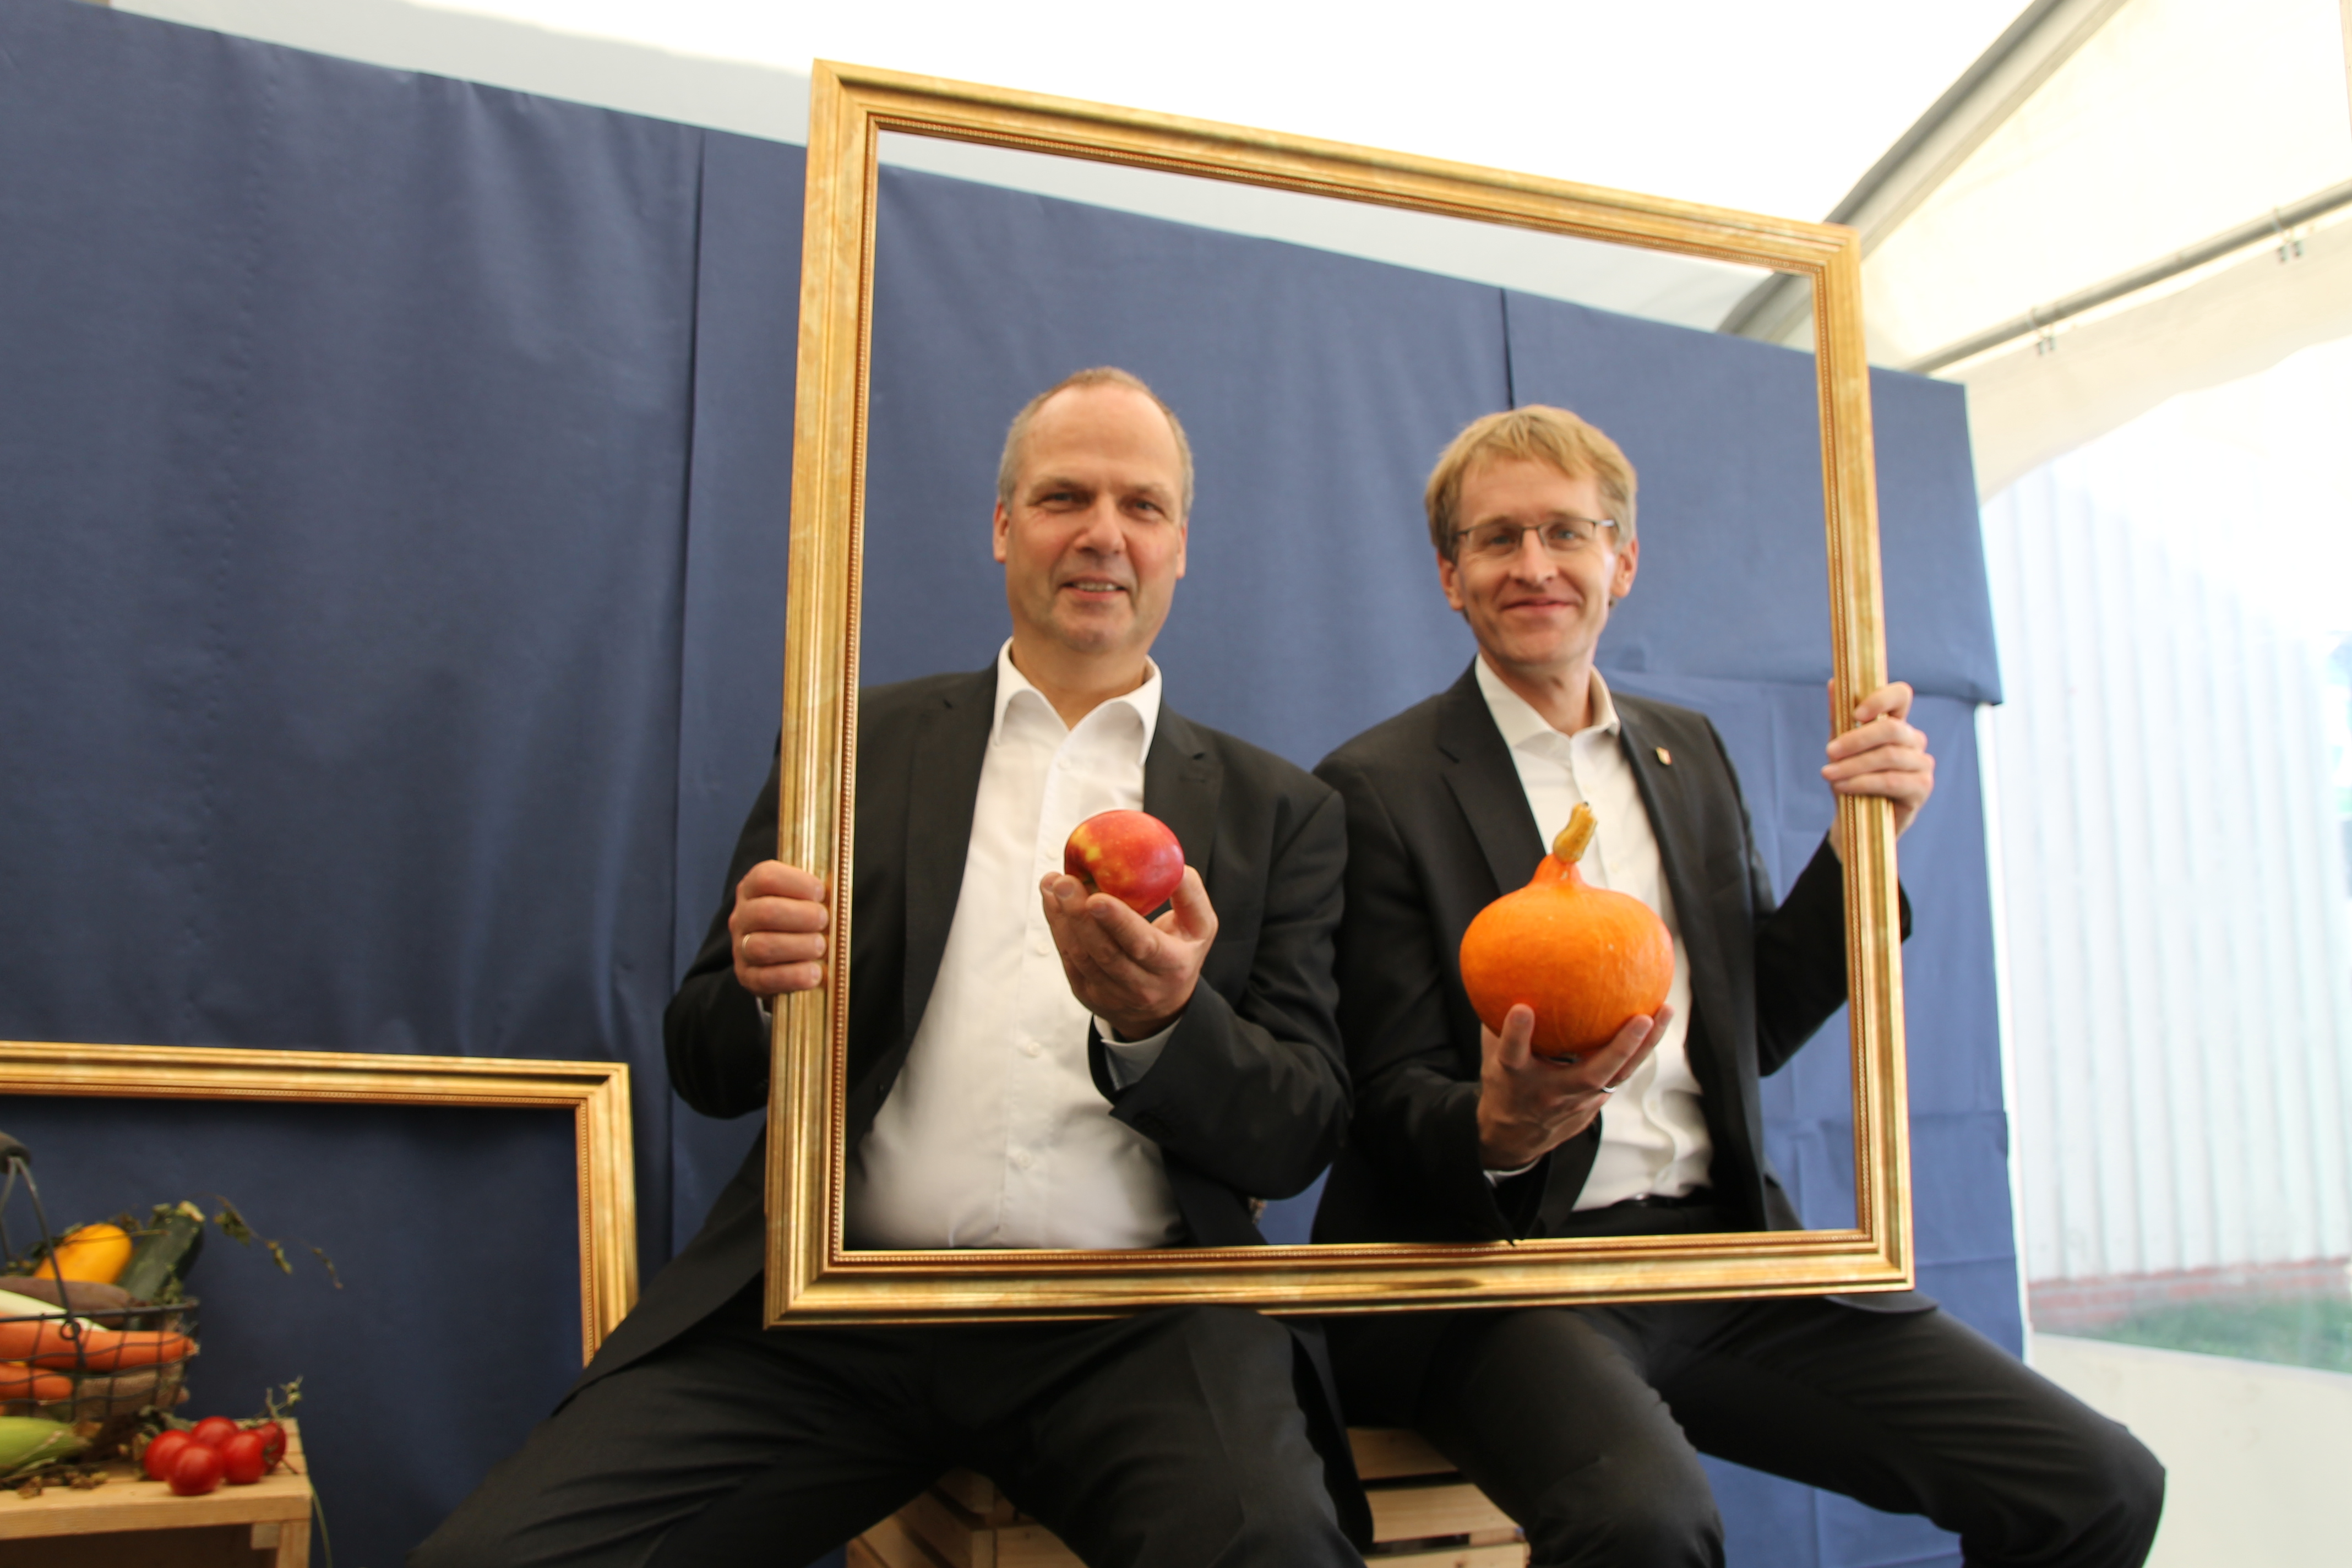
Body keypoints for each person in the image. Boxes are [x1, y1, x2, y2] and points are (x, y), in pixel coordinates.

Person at [417, 368, 1367, 1568]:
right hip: (836, 1313)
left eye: (1142, 505)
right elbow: (704, 1058)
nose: (1103, 533)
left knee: (1273, 1551)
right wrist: (761, 993)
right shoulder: (848, 746)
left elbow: (1298, 1132)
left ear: (1181, 545)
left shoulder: (1283, 812)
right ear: (1003, 526)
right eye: (1063, 496)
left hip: (1133, 1330)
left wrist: (1165, 1024)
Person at [1310, 406, 2164, 1567]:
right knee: (1644, 1527)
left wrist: (1862, 846)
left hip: (1727, 1251)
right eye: (1497, 537)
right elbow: (1385, 1094)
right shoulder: (1377, 784)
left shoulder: (1687, 752)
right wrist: (1501, 1129)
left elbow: (1743, 1029)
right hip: (1508, 1273)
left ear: (1623, 561)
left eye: (1567, 531)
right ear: (1450, 575)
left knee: (2098, 1484)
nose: (1534, 564)